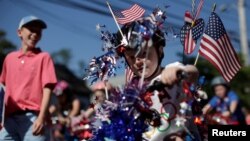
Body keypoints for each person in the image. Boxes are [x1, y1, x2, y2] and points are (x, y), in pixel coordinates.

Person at [114, 19, 200, 140]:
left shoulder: (172, 72)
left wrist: (179, 72)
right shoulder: (130, 93)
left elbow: (193, 73)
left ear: (159, 51)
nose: (138, 61)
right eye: (132, 57)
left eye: (143, 53)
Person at [0, 16, 57, 141]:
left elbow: (47, 89)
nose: (35, 34)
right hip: (9, 120)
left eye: (38, 32)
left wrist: (41, 118)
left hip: (34, 118)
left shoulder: (43, 57)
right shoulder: (9, 58)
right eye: (31, 29)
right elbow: (2, 89)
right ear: (19, 32)